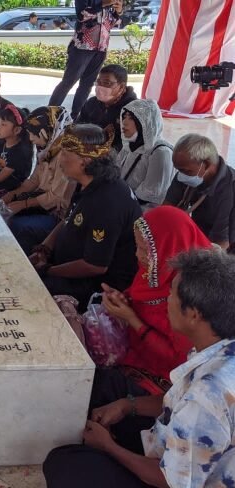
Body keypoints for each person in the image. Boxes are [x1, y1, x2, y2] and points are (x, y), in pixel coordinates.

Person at [43, 248, 235, 488]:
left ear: (194, 315)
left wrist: (109, 447)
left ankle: (100, 452)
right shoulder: (217, 346)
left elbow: (171, 481)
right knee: (104, 384)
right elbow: (176, 400)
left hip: (173, 479)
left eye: (172, 294)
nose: (167, 299)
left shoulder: (208, 395)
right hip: (172, 443)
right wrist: (126, 405)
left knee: (65, 465)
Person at [90, 207, 211, 454]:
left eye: (145, 250)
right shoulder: (157, 270)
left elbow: (178, 361)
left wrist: (131, 319)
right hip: (136, 355)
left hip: (163, 384)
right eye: (139, 247)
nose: (139, 255)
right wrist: (122, 300)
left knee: (93, 386)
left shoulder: (194, 298)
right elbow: (142, 298)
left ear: (171, 246)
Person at [30, 124, 141, 309]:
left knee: (31, 288)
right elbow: (68, 219)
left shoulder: (106, 202)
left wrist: (48, 270)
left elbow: (96, 265)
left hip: (97, 285)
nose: (60, 160)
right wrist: (44, 249)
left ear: (86, 161)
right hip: (69, 264)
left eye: (65, 154)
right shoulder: (88, 182)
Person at [3, 106, 75, 254]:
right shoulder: (47, 148)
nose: (31, 139)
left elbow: (56, 197)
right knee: (5, 210)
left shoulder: (65, 155)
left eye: (34, 134)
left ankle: (28, 261)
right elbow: (34, 180)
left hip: (57, 214)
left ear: (48, 130)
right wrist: (14, 194)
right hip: (41, 203)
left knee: (17, 224)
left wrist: (24, 204)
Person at [49, 0, 124, 119]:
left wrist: (118, 11)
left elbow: (112, 23)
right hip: (82, 46)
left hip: (101, 48)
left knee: (87, 84)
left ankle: (76, 117)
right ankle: (49, 115)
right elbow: (81, 15)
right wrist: (103, 4)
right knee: (68, 81)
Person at [164, 134, 235, 250]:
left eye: (185, 170)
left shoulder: (229, 191)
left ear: (206, 164)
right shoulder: (186, 172)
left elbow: (221, 245)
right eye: (178, 170)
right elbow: (167, 210)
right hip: (198, 238)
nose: (180, 175)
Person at [116, 99, 174, 209]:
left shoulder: (161, 152)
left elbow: (150, 195)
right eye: (124, 117)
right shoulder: (129, 145)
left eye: (131, 118)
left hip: (144, 213)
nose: (124, 122)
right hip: (123, 203)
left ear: (146, 121)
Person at [76, 64, 138, 152]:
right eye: (98, 82)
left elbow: (130, 144)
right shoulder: (91, 103)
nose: (100, 87)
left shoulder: (132, 110)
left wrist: (103, 151)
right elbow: (78, 126)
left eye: (107, 83)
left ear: (121, 87)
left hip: (114, 156)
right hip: (87, 149)